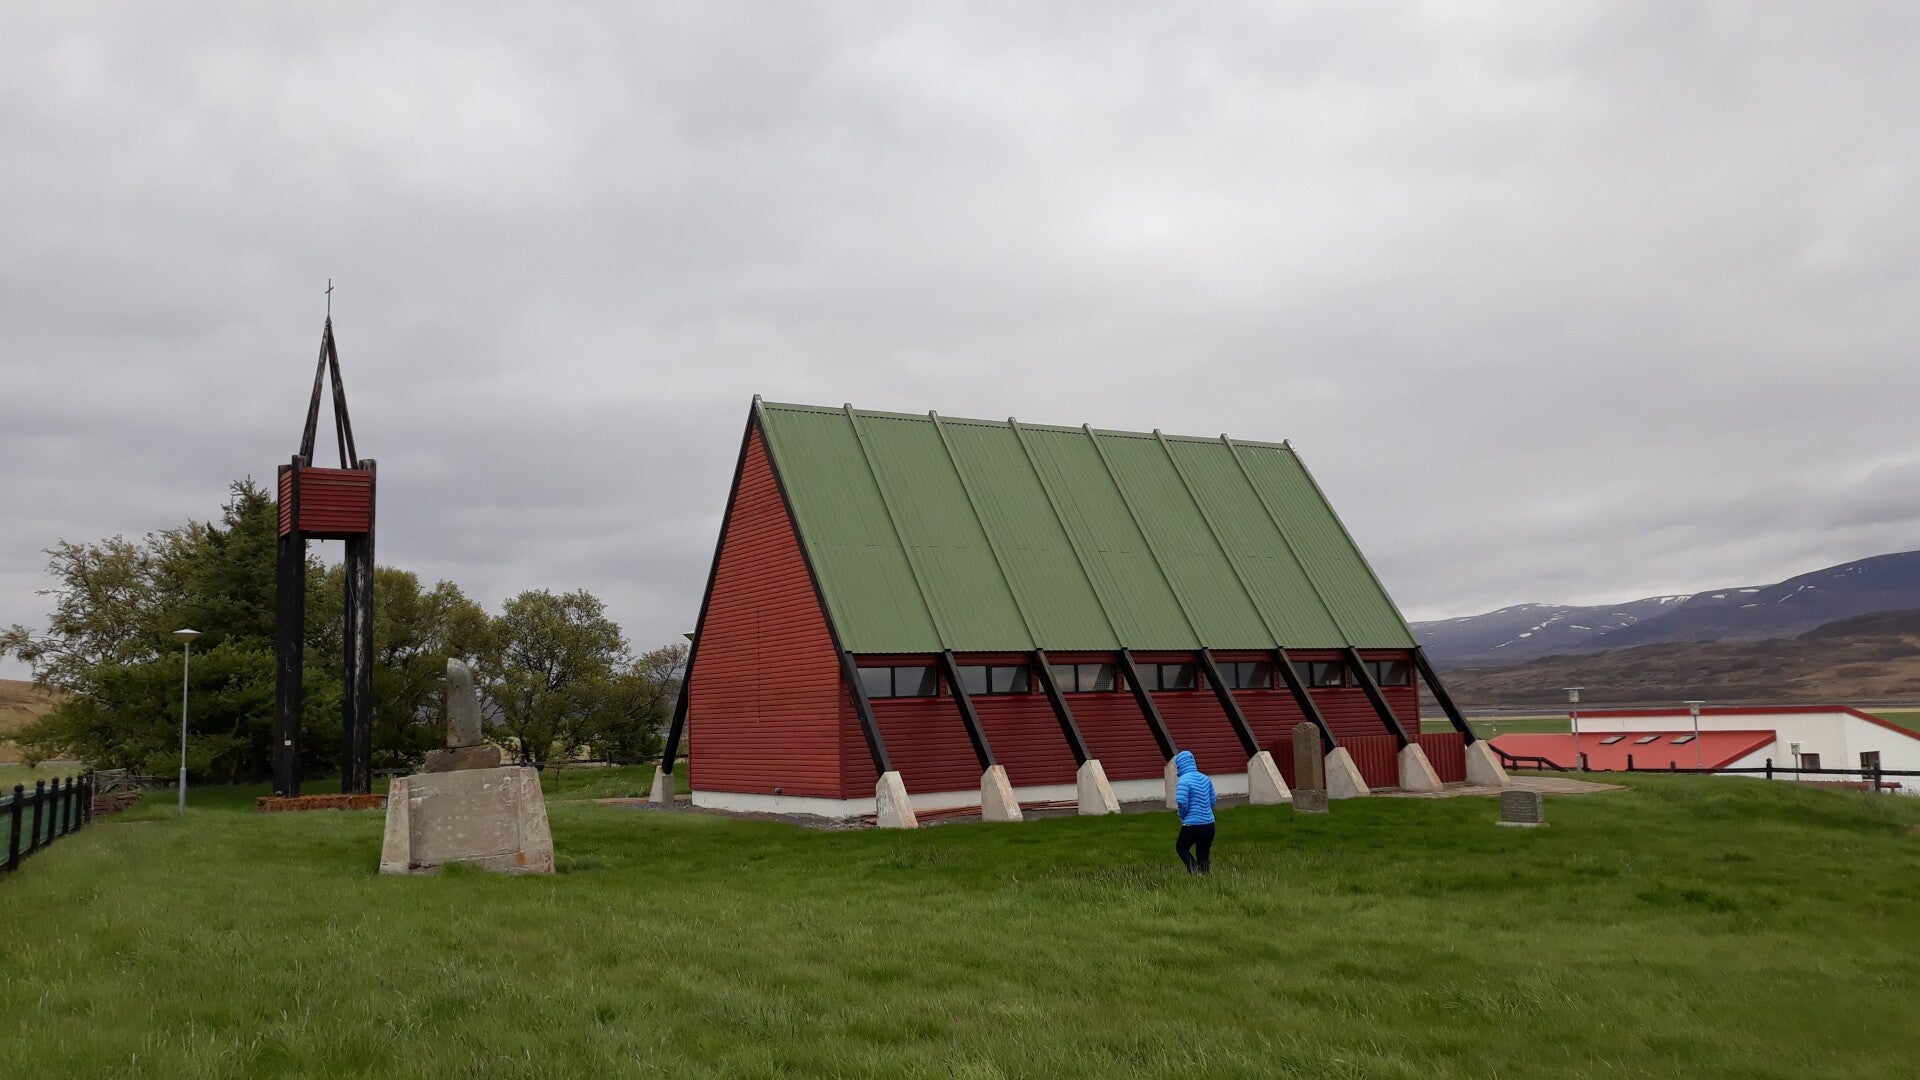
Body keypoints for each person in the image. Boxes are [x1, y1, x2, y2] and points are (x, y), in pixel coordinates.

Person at [1172, 750, 1215, 874]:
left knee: (1181, 847)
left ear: (1180, 765)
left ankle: (1194, 871)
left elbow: (1181, 802)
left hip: (1192, 824)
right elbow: (1212, 800)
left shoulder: (1184, 781)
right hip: (1209, 824)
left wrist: (1182, 815)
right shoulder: (1205, 778)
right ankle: (1205, 875)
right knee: (1203, 853)